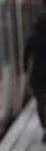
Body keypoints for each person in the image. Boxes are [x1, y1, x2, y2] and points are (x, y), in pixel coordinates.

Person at [24, 10, 46, 143]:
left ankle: (44, 128)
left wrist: (25, 69)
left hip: (37, 75)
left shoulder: (33, 37)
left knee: (40, 103)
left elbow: (26, 56)